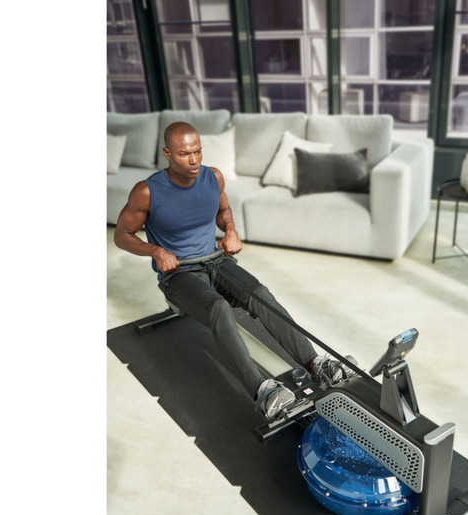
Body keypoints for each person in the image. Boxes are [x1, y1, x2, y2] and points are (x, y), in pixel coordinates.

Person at [114, 122, 355, 419]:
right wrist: (155, 251)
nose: (194, 160)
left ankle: (317, 364)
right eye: (184, 154)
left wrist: (230, 230)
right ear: (167, 153)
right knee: (218, 308)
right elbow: (122, 235)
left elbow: (223, 211)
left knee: (260, 294)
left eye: (198, 151)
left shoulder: (213, 177)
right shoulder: (147, 191)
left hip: (217, 261)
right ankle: (263, 390)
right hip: (179, 274)